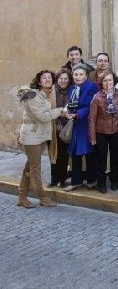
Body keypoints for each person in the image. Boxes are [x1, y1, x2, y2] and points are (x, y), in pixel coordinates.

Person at [16, 70, 65, 208]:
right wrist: (60, 111)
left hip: (40, 136)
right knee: (35, 170)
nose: (47, 79)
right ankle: (43, 198)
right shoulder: (34, 96)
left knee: (29, 167)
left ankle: (21, 197)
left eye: (50, 77)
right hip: (32, 137)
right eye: (44, 78)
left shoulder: (47, 94)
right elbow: (43, 117)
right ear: (39, 81)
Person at [63, 64, 99, 192]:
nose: (78, 77)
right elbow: (69, 103)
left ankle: (92, 180)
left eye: (81, 74)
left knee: (89, 153)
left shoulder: (91, 87)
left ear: (86, 76)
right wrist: (66, 111)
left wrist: (78, 114)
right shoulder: (72, 88)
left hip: (86, 123)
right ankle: (76, 181)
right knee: (75, 154)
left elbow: (91, 105)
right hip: (74, 124)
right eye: (75, 74)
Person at [88, 72, 118, 192]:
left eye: (109, 80)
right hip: (101, 132)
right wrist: (92, 137)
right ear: (101, 83)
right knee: (101, 159)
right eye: (104, 80)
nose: (107, 83)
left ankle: (114, 180)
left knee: (115, 158)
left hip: (116, 131)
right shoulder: (97, 97)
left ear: (114, 81)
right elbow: (92, 118)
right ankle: (101, 183)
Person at [49, 68, 72, 188]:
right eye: (60, 78)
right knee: (53, 154)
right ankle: (54, 179)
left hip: (66, 128)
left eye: (65, 79)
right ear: (57, 80)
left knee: (63, 155)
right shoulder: (51, 92)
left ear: (69, 80)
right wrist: (59, 113)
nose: (63, 81)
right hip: (52, 127)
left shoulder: (72, 91)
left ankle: (62, 179)